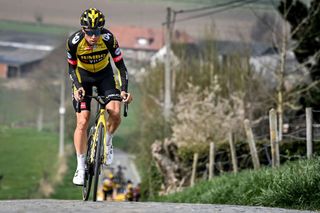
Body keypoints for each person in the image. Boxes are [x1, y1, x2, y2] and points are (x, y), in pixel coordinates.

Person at [66, 8, 133, 185]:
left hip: (104, 76)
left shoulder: (109, 39)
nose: (94, 36)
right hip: (83, 77)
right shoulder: (74, 42)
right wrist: (78, 87)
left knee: (115, 112)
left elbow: (121, 67)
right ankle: (80, 168)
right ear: (83, 30)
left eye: (97, 32)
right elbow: (71, 68)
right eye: (90, 32)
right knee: (82, 121)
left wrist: (124, 89)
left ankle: (108, 143)